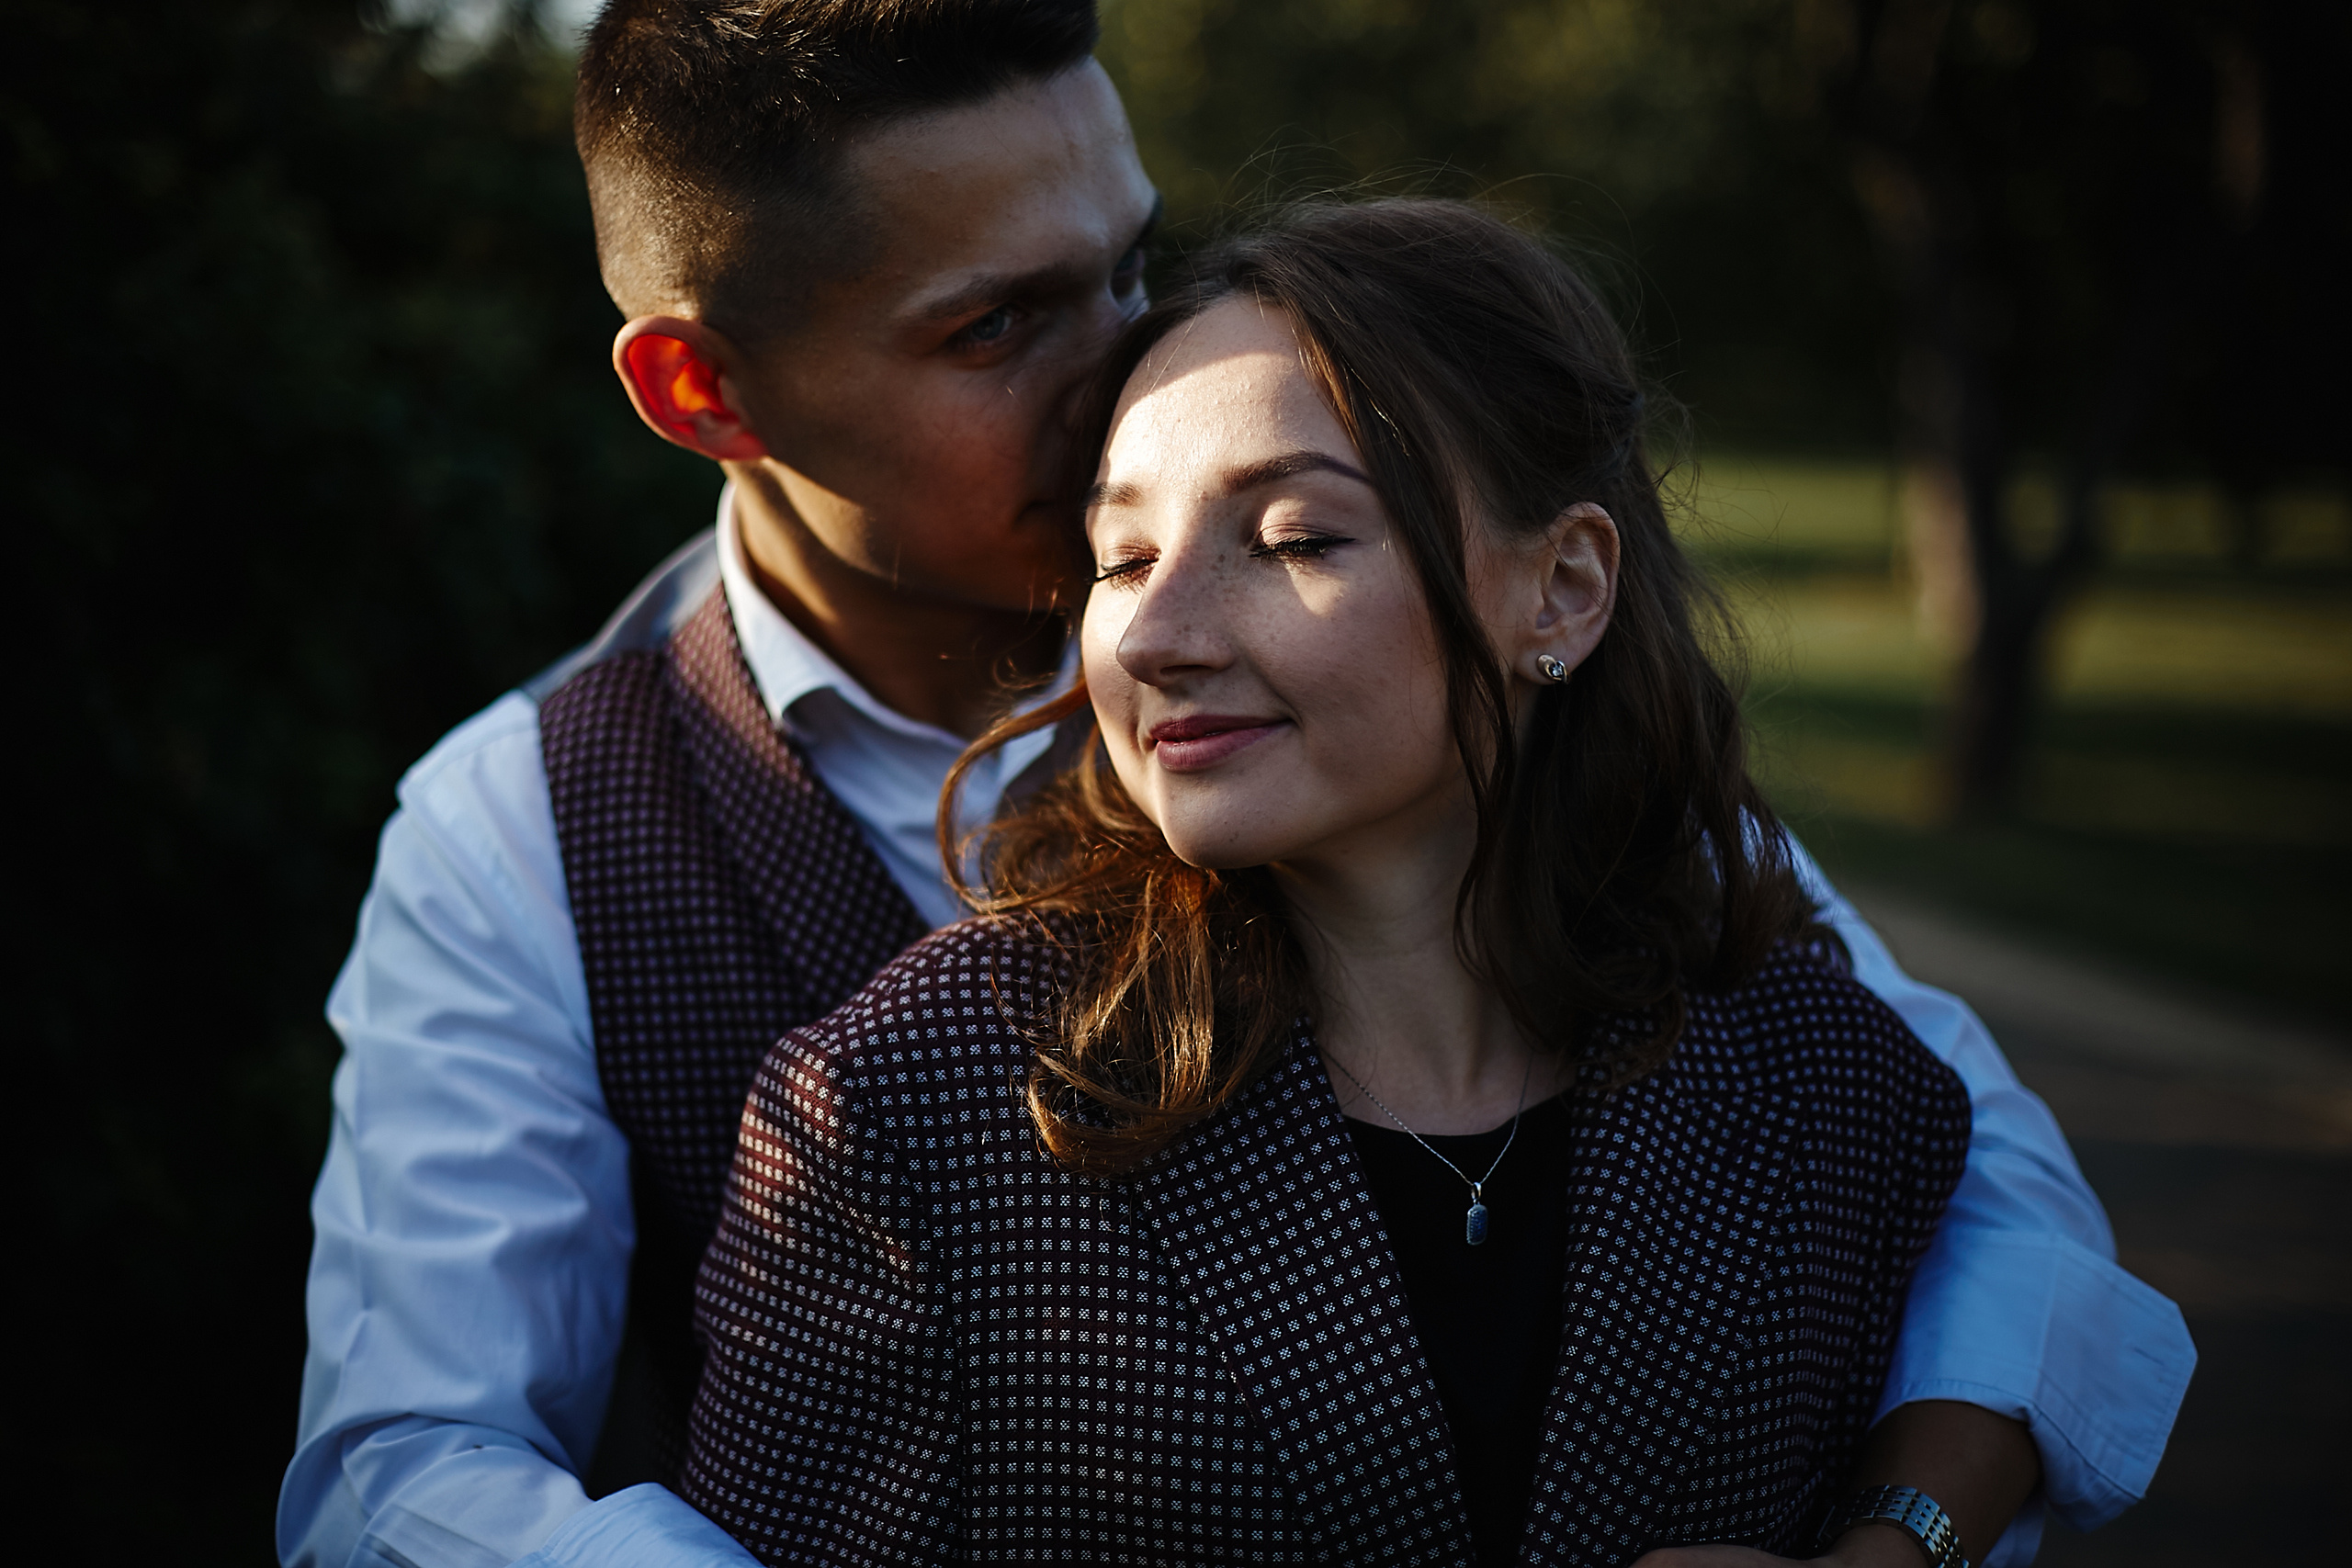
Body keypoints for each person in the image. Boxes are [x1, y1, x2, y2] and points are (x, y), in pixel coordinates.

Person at [279, 7, 2190, 1568]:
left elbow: (1967, 1178)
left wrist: (1892, 1540)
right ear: (707, 392)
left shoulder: (1471, 721)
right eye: (995, 323)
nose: (1133, 364)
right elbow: (412, 1468)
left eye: (1126, 263)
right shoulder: (526, 820)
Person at [677, 199, 2114, 1567]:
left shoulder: (1831, 1090)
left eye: (1296, 537)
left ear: (1558, 594)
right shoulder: (900, 1112)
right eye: (1122, 558)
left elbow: (2041, 1279)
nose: (1159, 633)